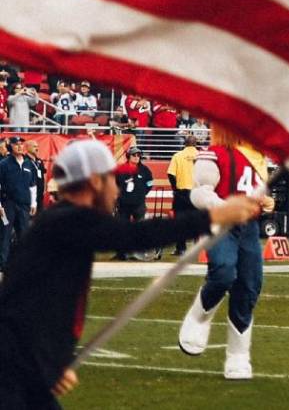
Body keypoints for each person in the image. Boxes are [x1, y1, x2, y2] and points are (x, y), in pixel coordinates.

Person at [0, 140, 259, 409]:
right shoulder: (67, 221)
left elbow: (30, 304)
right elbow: (137, 235)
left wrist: (46, 361)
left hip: (22, 368)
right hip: (13, 373)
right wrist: (213, 216)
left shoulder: (58, 222)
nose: (117, 190)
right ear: (94, 182)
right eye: (113, 180)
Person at [177, 125, 274, 379]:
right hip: (221, 222)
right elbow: (198, 193)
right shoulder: (215, 153)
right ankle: (199, 317)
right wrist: (226, 206)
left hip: (249, 227)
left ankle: (239, 354)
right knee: (222, 272)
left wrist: (265, 203)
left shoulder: (259, 158)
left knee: (249, 285)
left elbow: (257, 195)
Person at [0, 136, 37, 270]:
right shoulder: (3, 164)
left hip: (24, 205)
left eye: (22, 144)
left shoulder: (29, 164)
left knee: (24, 234)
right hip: (7, 205)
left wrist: (34, 203)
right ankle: (3, 264)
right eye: (16, 144)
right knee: (5, 234)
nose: (20, 146)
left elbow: (33, 186)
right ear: (11, 146)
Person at [113, 147, 154, 261]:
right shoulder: (121, 169)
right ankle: (121, 253)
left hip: (139, 204)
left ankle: (139, 252)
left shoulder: (145, 170)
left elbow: (150, 184)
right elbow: (116, 184)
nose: (136, 157)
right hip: (123, 204)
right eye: (134, 155)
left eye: (138, 155)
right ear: (128, 156)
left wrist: (141, 194)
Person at [167, 135, 200, 256]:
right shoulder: (201, 156)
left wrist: (175, 189)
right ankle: (198, 248)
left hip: (181, 193)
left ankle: (181, 248)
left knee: (180, 221)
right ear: (195, 144)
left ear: (184, 144)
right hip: (197, 192)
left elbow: (170, 174)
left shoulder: (177, 156)